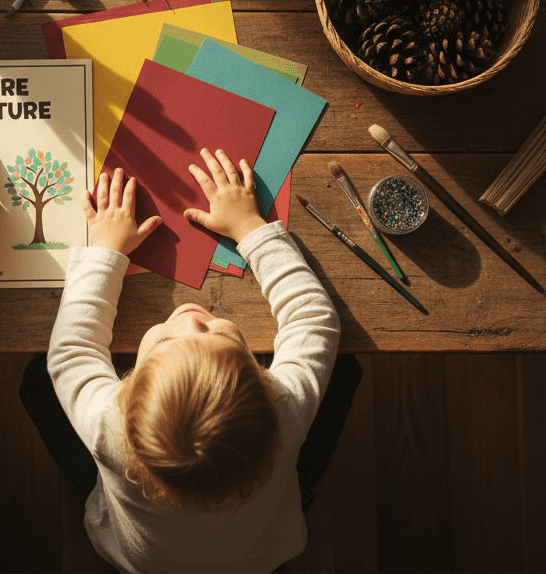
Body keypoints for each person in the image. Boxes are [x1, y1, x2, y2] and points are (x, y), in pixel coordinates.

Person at [21, 148, 362, 574]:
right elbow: (314, 318)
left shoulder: (109, 428)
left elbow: (71, 350)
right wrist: (251, 227)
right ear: (265, 379)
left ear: (125, 393)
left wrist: (106, 248)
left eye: (164, 341)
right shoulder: (285, 411)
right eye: (216, 335)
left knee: (36, 379)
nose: (189, 318)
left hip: (139, 559)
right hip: (261, 551)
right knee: (347, 366)